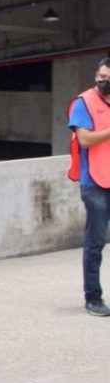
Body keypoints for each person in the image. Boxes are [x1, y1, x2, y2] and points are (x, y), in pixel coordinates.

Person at [66, 57, 110, 317]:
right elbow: (84, 139)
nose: (103, 81)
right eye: (101, 76)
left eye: (108, 78)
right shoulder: (84, 103)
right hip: (94, 183)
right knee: (95, 242)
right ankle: (93, 297)